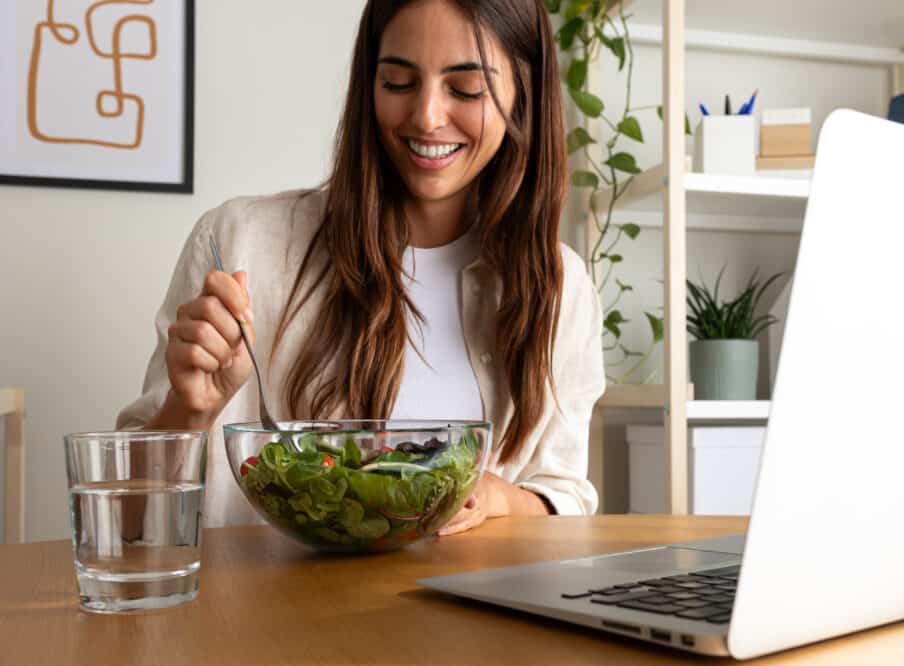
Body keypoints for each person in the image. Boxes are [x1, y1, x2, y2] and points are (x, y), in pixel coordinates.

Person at [117, 0, 605, 535]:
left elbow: (563, 493)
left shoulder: (561, 287)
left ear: (523, 96)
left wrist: (502, 499)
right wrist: (191, 412)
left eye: (466, 89)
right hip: (264, 617)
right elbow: (125, 523)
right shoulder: (241, 243)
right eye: (398, 82)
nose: (426, 117)